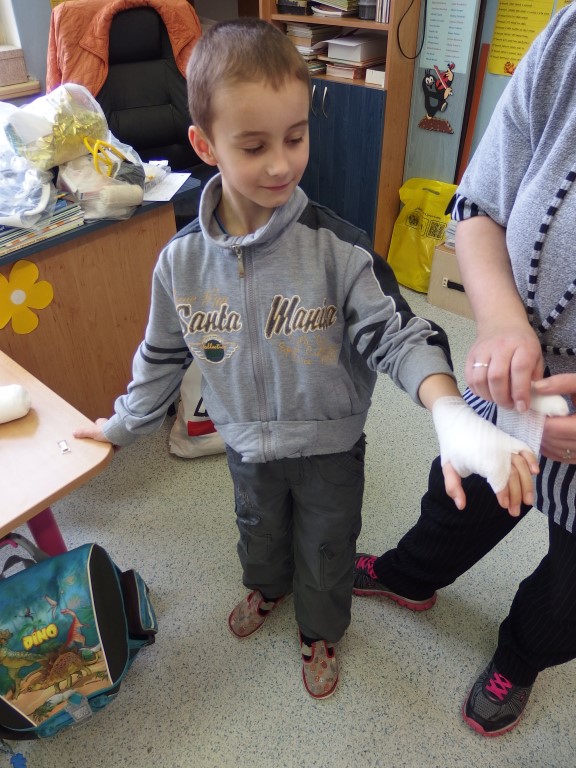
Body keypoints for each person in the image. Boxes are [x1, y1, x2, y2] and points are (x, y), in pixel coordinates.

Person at [73, 19, 537, 700]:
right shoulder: (180, 264)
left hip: (329, 449)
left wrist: (449, 412)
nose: (281, 164)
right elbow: (161, 355)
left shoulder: (338, 250)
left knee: (327, 549)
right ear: (205, 144)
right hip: (246, 446)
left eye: (295, 137)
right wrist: (120, 425)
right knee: (258, 534)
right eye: (254, 145)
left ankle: (320, 631)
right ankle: (266, 588)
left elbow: (399, 335)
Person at [353, 3, 576, 735]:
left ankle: (523, 653)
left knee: (570, 591)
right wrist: (503, 318)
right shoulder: (568, 34)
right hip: (512, 386)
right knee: (458, 495)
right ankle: (409, 575)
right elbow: (478, 203)